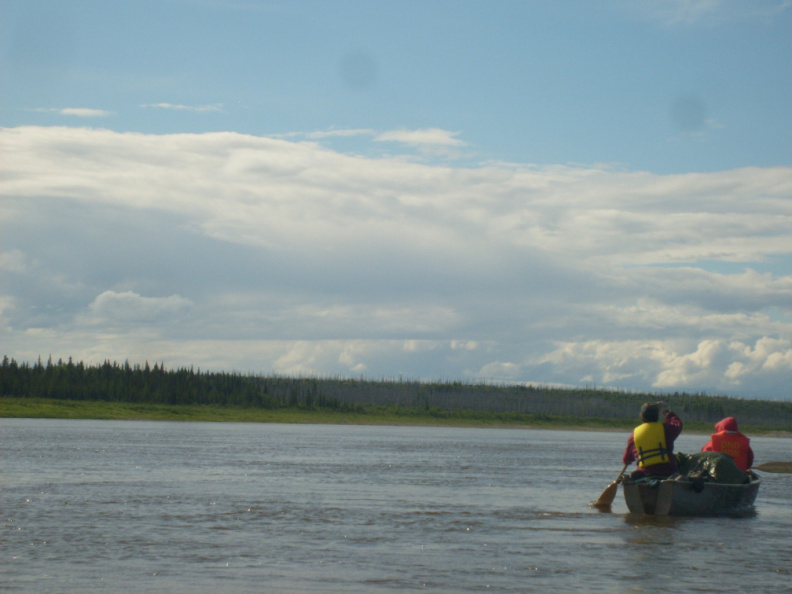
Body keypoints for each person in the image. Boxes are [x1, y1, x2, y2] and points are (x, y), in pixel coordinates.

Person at [623, 402, 683, 479]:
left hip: (645, 473)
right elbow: (677, 424)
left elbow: (626, 459)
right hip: (668, 472)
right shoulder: (666, 429)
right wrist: (666, 412)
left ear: (641, 416)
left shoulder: (634, 435)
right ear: (657, 416)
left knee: (636, 475)